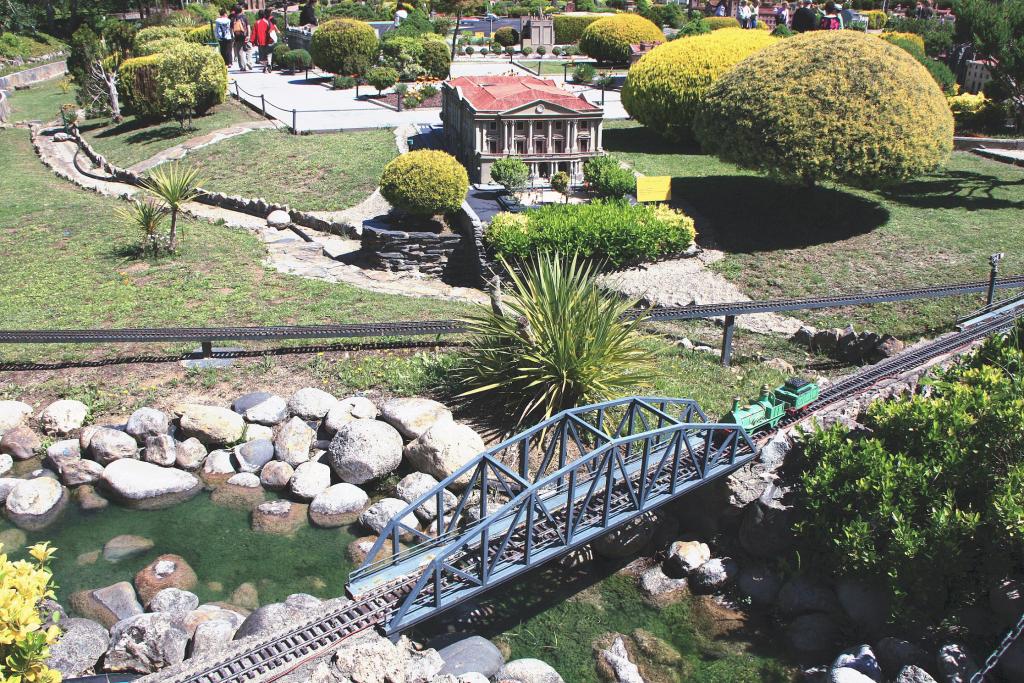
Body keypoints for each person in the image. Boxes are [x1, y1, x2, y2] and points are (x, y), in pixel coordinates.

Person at [251, 9, 275, 73]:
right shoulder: (267, 21)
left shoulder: (256, 23)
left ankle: (265, 67)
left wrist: (253, 41)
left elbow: (254, 33)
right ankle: (269, 65)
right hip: (268, 41)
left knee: (263, 55)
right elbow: (272, 29)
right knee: (269, 53)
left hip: (261, 41)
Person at [230, 5, 251, 72]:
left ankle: (242, 66)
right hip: (245, 36)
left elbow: (231, 29)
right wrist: (248, 35)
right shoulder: (244, 17)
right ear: (241, 10)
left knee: (239, 51)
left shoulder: (233, 19)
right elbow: (248, 27)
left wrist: (233, 36)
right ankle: (249, 62)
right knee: (249, 49)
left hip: (237, 37)